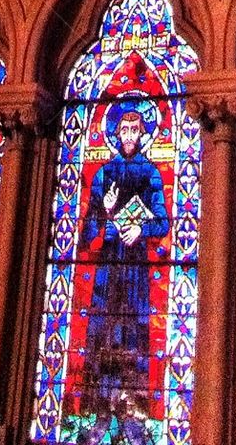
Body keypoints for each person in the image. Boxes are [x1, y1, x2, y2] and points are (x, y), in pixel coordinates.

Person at [77, 97, 169, 445]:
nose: (129, 135)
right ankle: (101, 413)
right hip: (108, 267)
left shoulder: (150, 173)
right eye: (124, 129)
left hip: (136, 268)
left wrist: (141, 231)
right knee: (102, 333)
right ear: (115, 133)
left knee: (134, 333)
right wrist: (107, 211)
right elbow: (88, 232)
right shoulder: (104, 174)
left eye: (135, 129)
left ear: (144, 134)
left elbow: (162, 221)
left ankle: (133, 416)